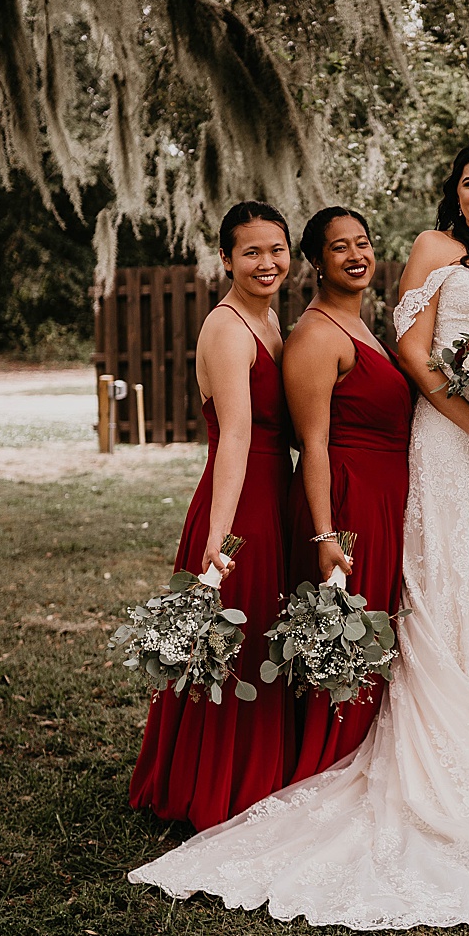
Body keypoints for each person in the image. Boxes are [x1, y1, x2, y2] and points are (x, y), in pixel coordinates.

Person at [129, 142, 469, 930]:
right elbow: (412, 353)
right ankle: (447, 759)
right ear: (455, 192)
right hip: (451, 444)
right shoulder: (436, 251)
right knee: (444, 590)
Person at [128, 201, 296, 830]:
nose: (266, 262)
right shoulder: (228, 329)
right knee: (233, 642)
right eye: (251, 252)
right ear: (225, 259)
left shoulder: (272, 320)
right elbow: (235, 438)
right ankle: (215, 782)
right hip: (240, 503)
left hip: (272, 497)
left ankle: (258, 765)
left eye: (276, 249)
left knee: (257, 643)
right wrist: (220, 539)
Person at [282, 207, 414, 780]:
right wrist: (325, 533)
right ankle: (330, 762)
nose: (357, 255)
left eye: (363, 243)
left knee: (373, 631)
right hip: (348, 499)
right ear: (315, 261)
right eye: (340, 247)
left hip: (383, 497)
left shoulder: (362, 325)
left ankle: (362, 753)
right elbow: (312, 445)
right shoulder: (315, 335)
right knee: (346, 631)